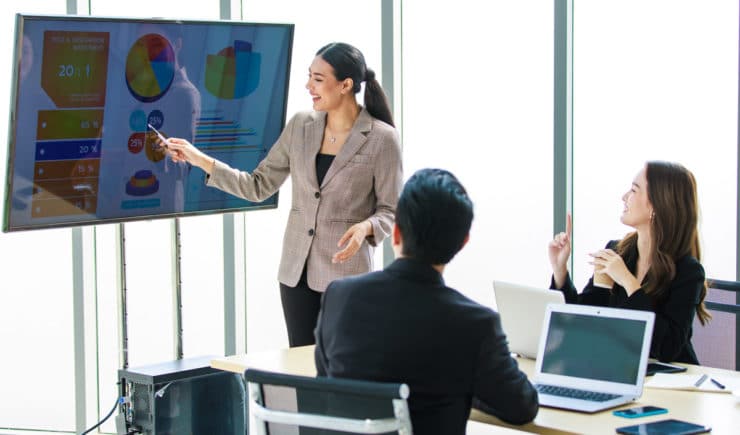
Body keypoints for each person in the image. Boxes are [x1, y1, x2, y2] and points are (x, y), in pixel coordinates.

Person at [162, 42, 402, 347]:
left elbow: (391, 209)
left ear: (345, 85)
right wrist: (199, 159)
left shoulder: (382, 138)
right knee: (302, 370)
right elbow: (257, 185)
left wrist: (367, 227)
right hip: (295, 276)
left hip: (348, 279)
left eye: (318, 79)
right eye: (309, 76)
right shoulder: (301, 125)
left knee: (343, 372)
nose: (308, 86)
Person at [315, 168, 539, 434]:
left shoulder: (339, 297)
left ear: (396, 232)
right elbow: (521, 407)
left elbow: (327, 387)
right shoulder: (475, 324)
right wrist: (469, 383)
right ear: (462, 243)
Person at [549, 161, 710, 364]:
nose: (624, 197)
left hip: (669, 383)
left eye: (634, 190)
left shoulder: (688, 272)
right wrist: (560, 270)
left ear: (656, 206)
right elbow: (581, 320)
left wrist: (628, 281)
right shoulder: (617, 252)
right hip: (619, 370)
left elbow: (667, 348)